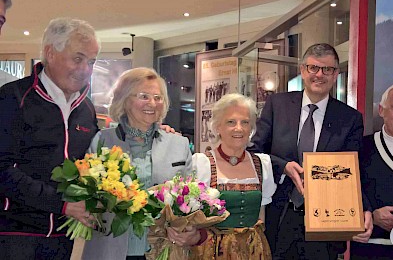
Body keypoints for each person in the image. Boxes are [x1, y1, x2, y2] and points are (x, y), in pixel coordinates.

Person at [250, 43, 371, 259]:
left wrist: (364, 208)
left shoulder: (350, 119)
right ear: (303, 69)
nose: (319, 75)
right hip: (280, 218)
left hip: (327, 225)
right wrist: (283, 166)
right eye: (313, 68)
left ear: (335, 74)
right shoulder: (277, 105)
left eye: (327, 69)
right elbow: (255, 152)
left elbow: (354, 170)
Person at [0, 17, 100, 259]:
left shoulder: (86, 108)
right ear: (50, 53)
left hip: (67, 239)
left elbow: (96, 164)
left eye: (91, 61)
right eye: (78, 58)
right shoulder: (12, 98)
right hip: (15, 236)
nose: (85, 69)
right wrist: (62, 204)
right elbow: (2, 169)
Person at [82, 67, 196, 260]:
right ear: (125, 100)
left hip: (162, 250)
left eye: (158, 97)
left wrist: (189, 230)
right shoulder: (102, 141)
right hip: (110, 250)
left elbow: (191, 200)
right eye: (144, 96)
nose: (152, 103)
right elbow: (87, 196)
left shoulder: (179, 144)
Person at [190, 93, 276, 259]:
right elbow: (193, 218)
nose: (239, 128)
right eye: (231, 122)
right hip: (214, 251)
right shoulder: (203, 163)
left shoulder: (261, 164)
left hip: (254, 250)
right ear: (217, 127)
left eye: (245, 122)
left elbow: (261, 215)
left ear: (251, 128)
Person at [351, 82, 393, 259]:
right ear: (381, 110)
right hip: (369, 250)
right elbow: (344, 196)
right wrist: (371, 213)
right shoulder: (360, 148)